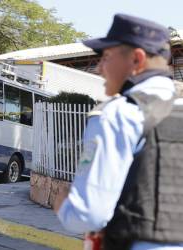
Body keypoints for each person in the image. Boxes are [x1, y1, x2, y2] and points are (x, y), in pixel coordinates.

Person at [54, 13, 183, 250]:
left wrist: (63, 205)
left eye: (105, 57)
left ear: (136, 59)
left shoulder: (117, 115)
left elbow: (89, 214)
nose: (98, 69)